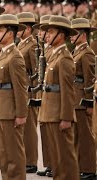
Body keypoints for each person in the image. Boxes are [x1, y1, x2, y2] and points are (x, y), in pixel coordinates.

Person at [39, 15, 80, 179]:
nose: (46, 35)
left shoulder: (64, 58)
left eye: (51, 32)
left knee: (65, 158)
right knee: (56, 159)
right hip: (50, 113)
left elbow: (68, 91)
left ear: (61, 35)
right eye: (47, 32)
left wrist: (66, 117)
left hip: (59, 115)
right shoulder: (54, 56)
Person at [0, 14, 28, 180]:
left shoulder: (15, 56)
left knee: (14, 154)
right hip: (0, 110)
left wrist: (21, 114)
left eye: (0, 31)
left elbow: (20, 88)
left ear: (10, 34)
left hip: (10, 112)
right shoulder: (4, 54)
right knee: (4, 155)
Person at [70, 18, 97, 180]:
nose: (71, 36)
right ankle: (81, 166)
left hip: (82, 99)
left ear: (83, 34)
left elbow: (90, 79)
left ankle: (89, 169)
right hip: (75, 98)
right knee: (77, 135)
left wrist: (88, 103)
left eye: (74, 33)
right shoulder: (77, 51)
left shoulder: (87, 53)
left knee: (85, 136)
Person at [16, 12, 38, 174]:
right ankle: (25, 158)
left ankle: (31, 160)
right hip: (22, 89)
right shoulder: (21, 44)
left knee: (29, 127)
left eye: (21, 28)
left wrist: (35, 93)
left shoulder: (32, 45)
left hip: (29, 90)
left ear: (29, 29)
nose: (17, 31)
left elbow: (37, 71)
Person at [32, 14, 54, 177]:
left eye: (43, 31)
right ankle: (50, 163)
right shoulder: (45, 48)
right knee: (45, 129)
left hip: (52, 93)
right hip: (43, 91)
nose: (40, 34)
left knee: (52, 132)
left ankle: (55, 164)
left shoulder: (53, 50)